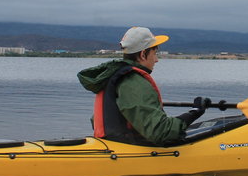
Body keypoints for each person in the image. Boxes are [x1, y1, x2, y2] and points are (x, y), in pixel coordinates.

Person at [78, 27, 208, 145]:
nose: (156, 59)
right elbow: (161, 133)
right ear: (142, 54)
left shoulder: (111, 76)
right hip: (127, 149)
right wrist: (195, 112)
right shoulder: (133, 82)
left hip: (110, 144)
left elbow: (96, 120)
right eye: (154, 53)